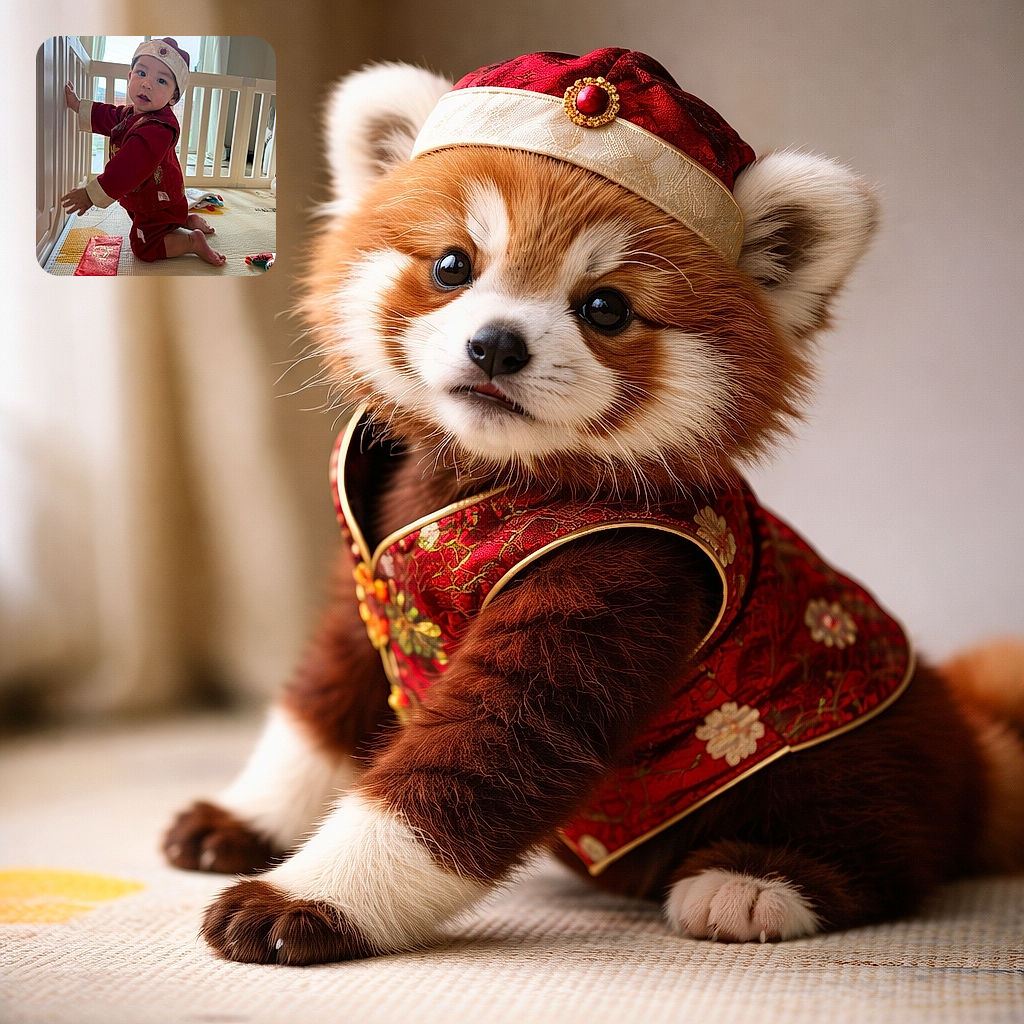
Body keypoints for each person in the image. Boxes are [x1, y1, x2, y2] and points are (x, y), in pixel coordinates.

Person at [61, 38, 226, 267]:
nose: (147, 83)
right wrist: (78, 105)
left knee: (143, 246)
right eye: (141, 73)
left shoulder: (158, 129)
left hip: (156, 202)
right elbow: (109, 116)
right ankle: (186, 220)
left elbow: (129, 166)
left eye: (161, 80)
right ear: (130, 77)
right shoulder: (131, 114)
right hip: (166, 198)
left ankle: (191, 243)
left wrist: (91, 194)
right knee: (161, 218)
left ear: (173, 98)